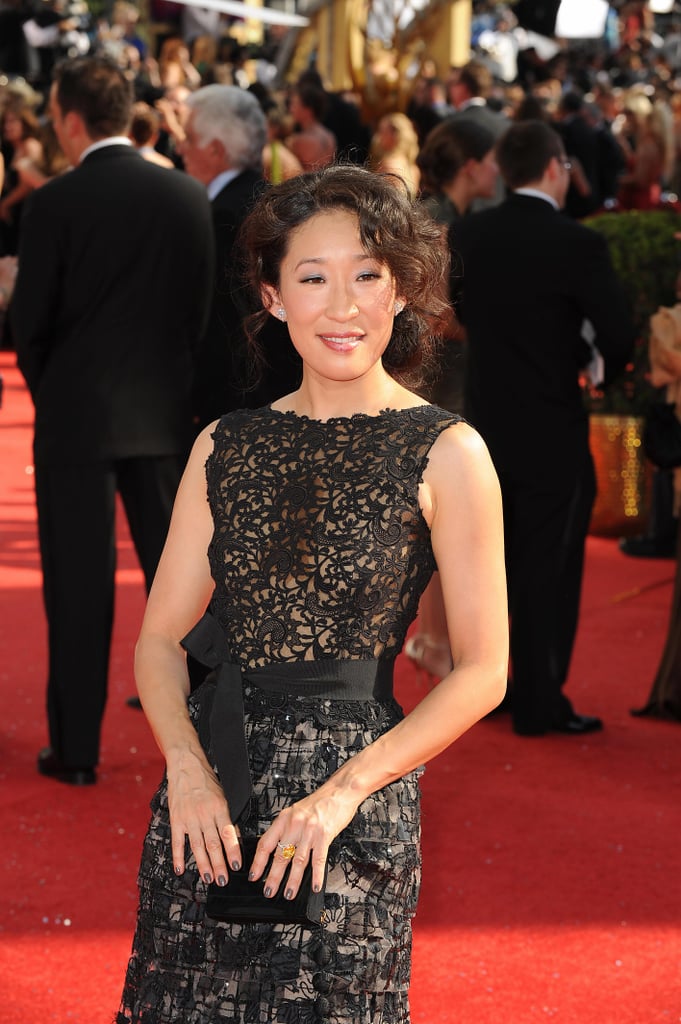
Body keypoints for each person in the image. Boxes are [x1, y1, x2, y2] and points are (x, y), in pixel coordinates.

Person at [116, 164, 508, 1023]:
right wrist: (184, 770)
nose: (343, 306)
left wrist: (340, 794)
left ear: (400, 290)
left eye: (367, 275)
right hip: (207, 800)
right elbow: (158, 641)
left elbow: (483, 671)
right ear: (272, 295)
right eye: (313, 277)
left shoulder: (447, 450)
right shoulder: (224, 444)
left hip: (354, 800)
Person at [11, 55, 213, 785]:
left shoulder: (53, 205)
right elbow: (199, 317)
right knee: (181, 590)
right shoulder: (186, 198)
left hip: (76, 423)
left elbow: (26, 324)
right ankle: (203, 746)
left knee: (77, 587)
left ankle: (75, 753)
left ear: (69, 120)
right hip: (162, 420)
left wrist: (57, 390)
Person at [454, 120, 636, 737]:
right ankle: (539, 700)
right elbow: (618, 332)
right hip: (553, 428)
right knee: (549, 567)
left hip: (481, 428)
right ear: (556, 167)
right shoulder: (576, 243)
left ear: (505, 169)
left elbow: (453, 311)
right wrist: (594, 364)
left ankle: (489, 691)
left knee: (490, 564)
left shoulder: (471, 232)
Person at [179, 84, 302, 429]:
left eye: (188, 137)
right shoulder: (272, 201)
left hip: (238, 400)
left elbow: (222, 323)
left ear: (216, 149)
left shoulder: (225, 215)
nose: (180, 147)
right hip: (274, 391)